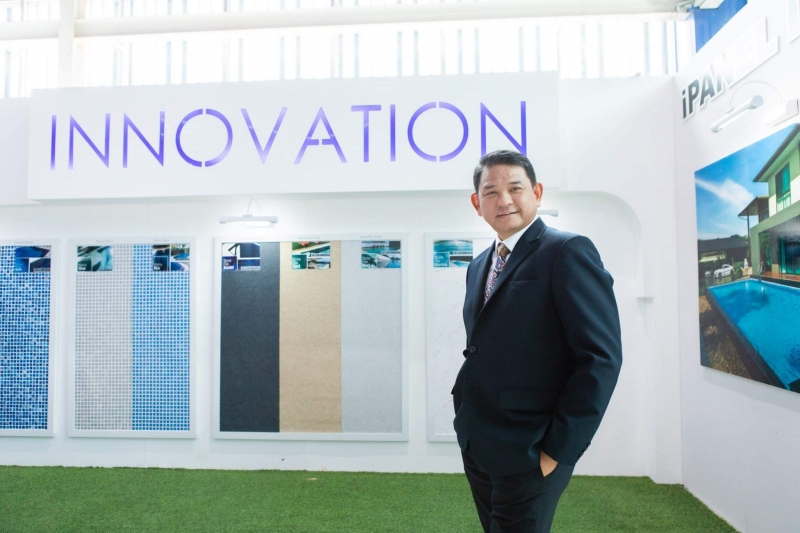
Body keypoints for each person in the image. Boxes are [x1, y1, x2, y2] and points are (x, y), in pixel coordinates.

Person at [452, 150, 623, 532]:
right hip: (479, 439)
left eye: (515, 188)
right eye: (491, 192)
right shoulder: (479, 264)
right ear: (477, 203)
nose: (504, 200)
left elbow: (600, 359)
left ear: (537, 192)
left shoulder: (567, 250)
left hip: (532, 447)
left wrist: (558, 451)